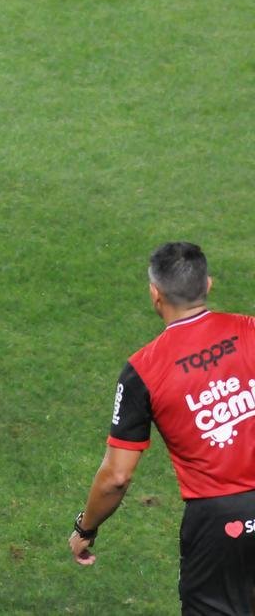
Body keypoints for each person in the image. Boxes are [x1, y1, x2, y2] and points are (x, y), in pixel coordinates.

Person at [68, 242, 255, 613]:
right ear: (209, 285)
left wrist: (85, 528)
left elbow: (117, 476)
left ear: (155, 294)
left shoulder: (143, 370)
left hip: (219, 523)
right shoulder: (250, 331)